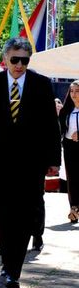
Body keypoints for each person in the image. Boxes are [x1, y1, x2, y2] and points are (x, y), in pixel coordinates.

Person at [0, 37, 60, 288]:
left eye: (25, 60)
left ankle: (14, 268)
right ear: (6, 58)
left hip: (32, 160)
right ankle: (8, 260)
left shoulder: (41, 84)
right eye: (15, 59)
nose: (19, 65)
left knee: (25, 212)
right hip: (1, 159)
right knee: (5, 212)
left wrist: (54, 160)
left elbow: (51, 126)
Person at [59, 80, 79, 224]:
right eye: (71, 91)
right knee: (71, 178)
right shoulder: (67, 110)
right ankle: (73, 208)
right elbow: (60, 128)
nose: (74, 94)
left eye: (77, 91)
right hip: (69, 147)